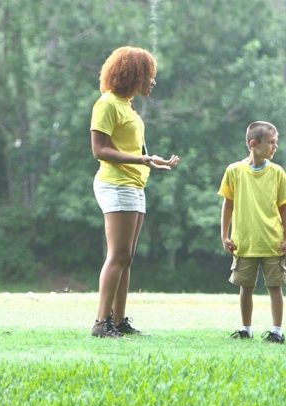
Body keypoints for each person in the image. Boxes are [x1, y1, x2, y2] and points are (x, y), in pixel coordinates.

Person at [90, 46, 180, 338]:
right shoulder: (107, 104)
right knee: (117, 255)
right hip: (116, 184)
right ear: (133, 74)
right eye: (149, 75)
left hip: (134, 184)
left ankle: (118, 320)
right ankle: (102, 323)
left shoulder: (127, 106)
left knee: (127, 257)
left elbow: (131, 148)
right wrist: (140, 160)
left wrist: (152, 161)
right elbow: (99, 150)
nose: (153, 81)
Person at [219, 121, 286, 344]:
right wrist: (225, 235)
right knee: (246, 287)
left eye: (276, 142)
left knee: (275, 287)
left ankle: (277, 330)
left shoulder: (277, 172)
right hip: (244, 242)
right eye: (271, 142)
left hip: (273, 241)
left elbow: (284, 207)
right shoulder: (234, 171)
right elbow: (228, 204)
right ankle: (246, 328)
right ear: (254, 144)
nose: (275, 146)